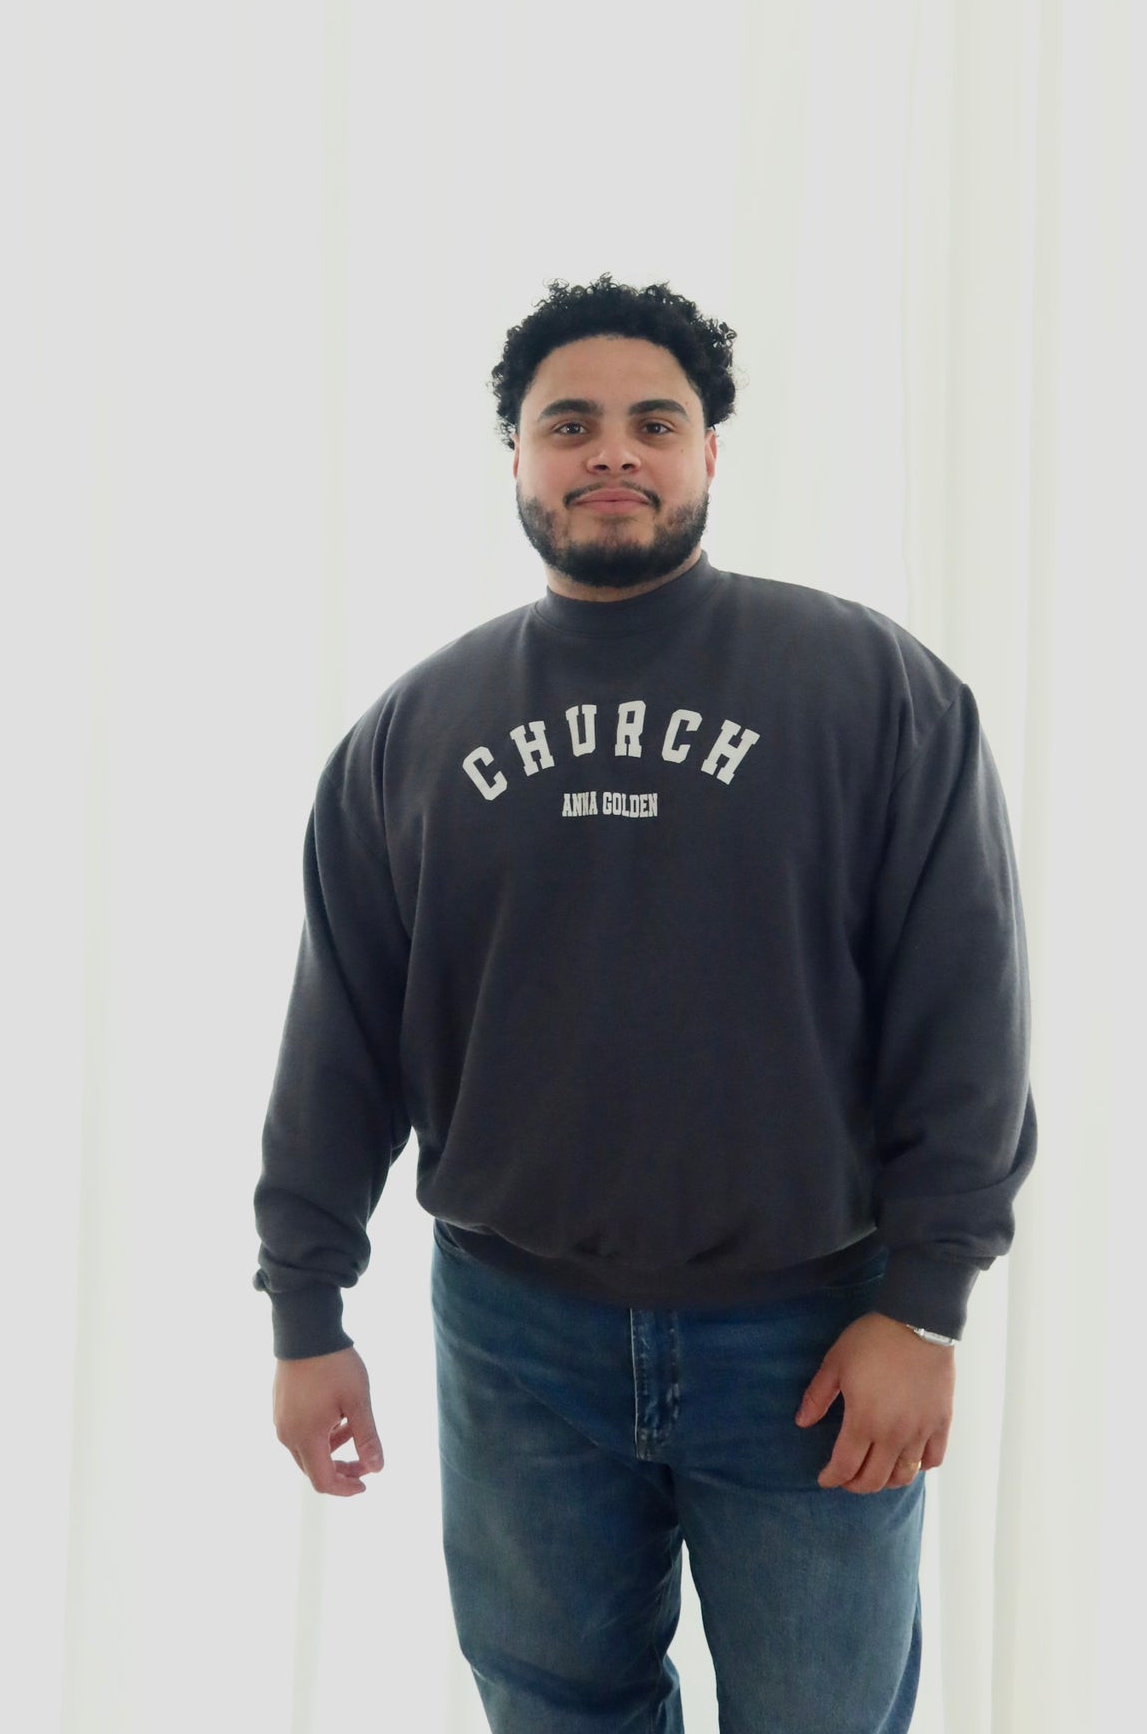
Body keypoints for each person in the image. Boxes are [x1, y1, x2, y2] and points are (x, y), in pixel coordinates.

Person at [253, 272, 1038, 1733]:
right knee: (553, 1710)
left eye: (652, 423)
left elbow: (966, 1014)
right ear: (516, 455)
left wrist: (925, 1310)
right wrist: (306, 1311)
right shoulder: (411, 734)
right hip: (513, 1341)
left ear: (708, 454)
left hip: (809, 1335)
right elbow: (340, 1042)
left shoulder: (873, 691)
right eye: (569, 424)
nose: (611, 450)